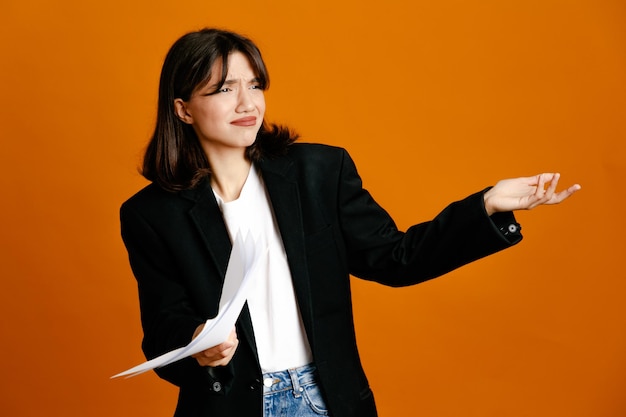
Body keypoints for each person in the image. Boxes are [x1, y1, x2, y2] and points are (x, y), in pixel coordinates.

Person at [120, 28, 580, 417]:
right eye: (224, 89)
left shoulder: (318, 172)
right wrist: (198, 344)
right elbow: (164, 334)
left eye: (254, 84)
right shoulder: (151, 214)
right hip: (230, 405)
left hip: (327, 399)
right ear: (183, 109)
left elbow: (397, 258)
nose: (247, 102)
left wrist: (487, 207)